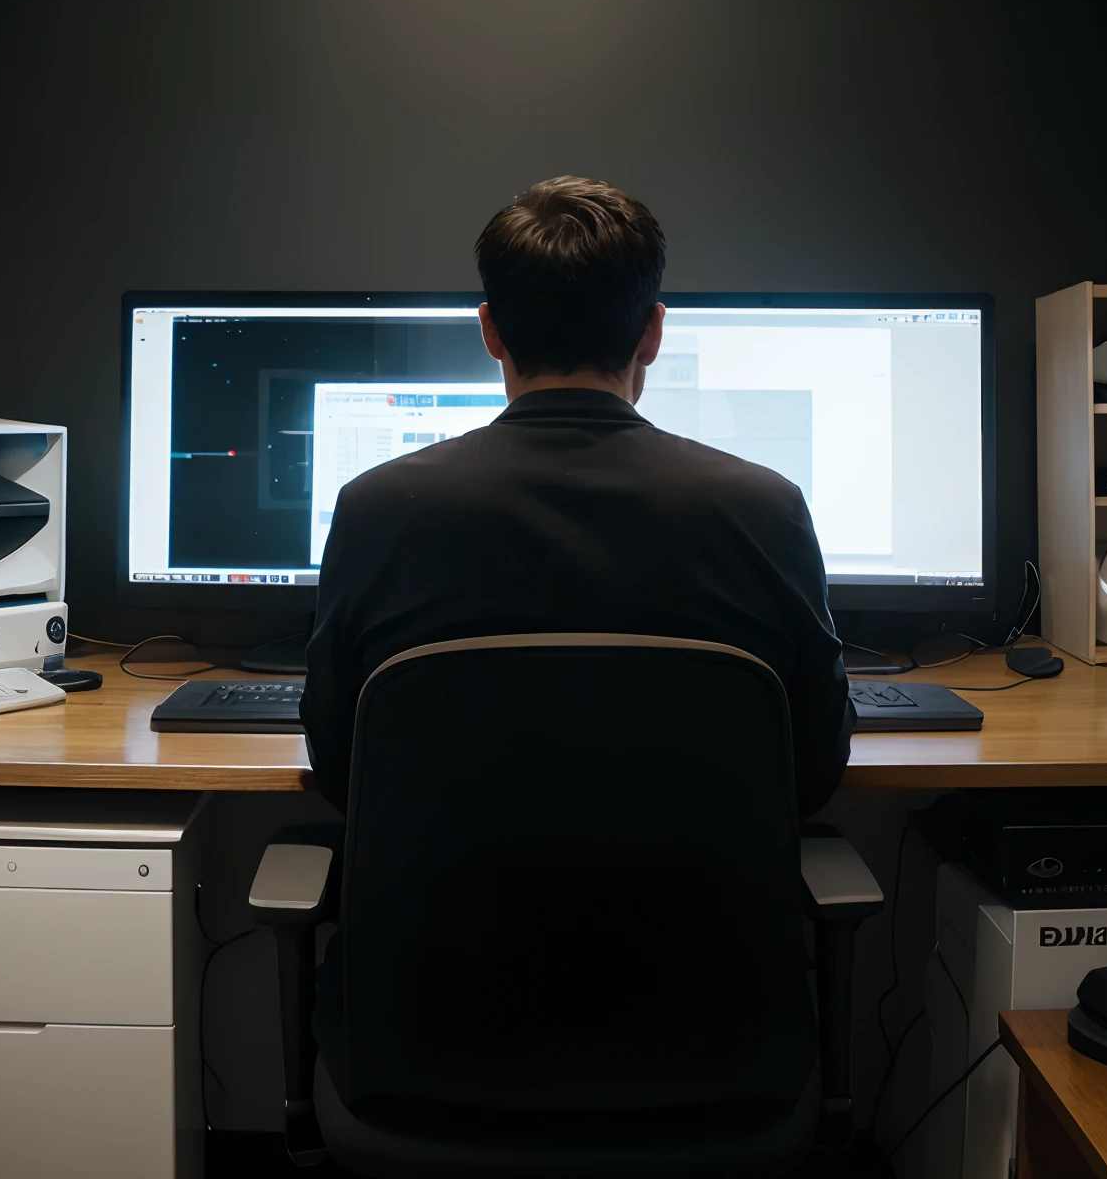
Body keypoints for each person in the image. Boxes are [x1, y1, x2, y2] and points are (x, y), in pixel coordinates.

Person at [299, 175, 852, 817]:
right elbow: (814, 771)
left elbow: (342, 768)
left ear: (491, 333)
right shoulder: (764, 507)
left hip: (450, 915)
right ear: (653, 333)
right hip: (693, 915)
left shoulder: (377, 506)